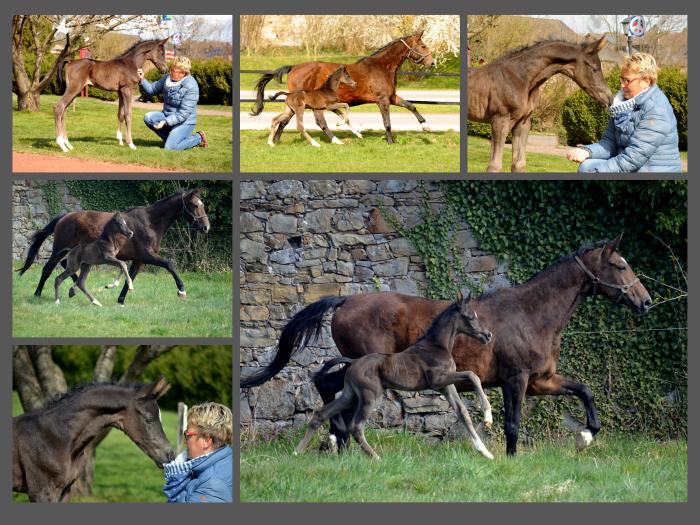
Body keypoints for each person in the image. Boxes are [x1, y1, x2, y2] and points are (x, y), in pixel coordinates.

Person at [566, 52, 681, 172]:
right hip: (632, 165)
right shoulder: (621, 104)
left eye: (627, 80)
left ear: (646, 81)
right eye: (622, 79)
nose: (622, 84)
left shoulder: (657, 109)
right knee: (586, 165)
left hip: (652, 172)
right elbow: (609, 143)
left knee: (588, 169)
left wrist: (597, 172)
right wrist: (587, 151)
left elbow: (632, 159)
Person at [162, 402, 232, 503]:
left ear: (206, 441)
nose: (185, 441)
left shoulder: (212, 486)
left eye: (188, 435)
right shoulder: (226, 459)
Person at [137, 56, 209, 150]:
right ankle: (173, 141)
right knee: (149, 117)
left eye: (174, 70)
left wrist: (165, 121)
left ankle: (198, 138)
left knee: (170, 148)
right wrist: (142, 79)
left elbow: (183, 114)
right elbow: (151, 90)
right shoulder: (167, 78)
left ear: (183, 73)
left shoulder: (192, 87)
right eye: (171, 69)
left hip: (185, 122)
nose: (170, 72)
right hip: (167, 116)